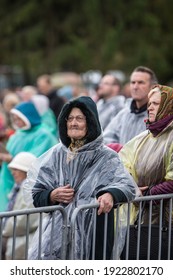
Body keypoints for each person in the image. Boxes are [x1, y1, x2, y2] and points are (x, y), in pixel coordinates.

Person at [24, 95, 138, 260]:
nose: (73, 123)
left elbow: (127, 186)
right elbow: (37, 193)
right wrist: (52, 195)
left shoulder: (106, 156)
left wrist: (110, 194)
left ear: (90, 122)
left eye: (79, 118)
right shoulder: (56, 155)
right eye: (69, 118)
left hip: (95, 234)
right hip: (57, 236)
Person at [119, 84, 173, 225]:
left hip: (166, 222)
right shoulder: (143, 137)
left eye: (155, 103)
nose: (149, 108)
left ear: (168, 105)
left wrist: (147, 194)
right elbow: (122, 164)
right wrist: (131, 187)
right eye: (149, 104)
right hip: (142, 220)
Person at [0, 101, 58, 212]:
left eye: (19, 118)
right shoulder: (18, 134)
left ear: (28, 116)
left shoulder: (43, 134)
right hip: (10, 177)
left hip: (28, 180)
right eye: (15, 119)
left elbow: (34, 159)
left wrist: (10, 159)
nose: (17, 122)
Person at [103, 66, 158, 145]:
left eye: (141, 82)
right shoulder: (124, 113)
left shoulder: (159, 116)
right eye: (133, 82)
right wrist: (117, 150)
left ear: (153, 87)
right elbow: (107, 137)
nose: (135, 87)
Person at [2, 152, 38, 260]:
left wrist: (4, 231)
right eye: (13, 169)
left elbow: (24, 221)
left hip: (23, 236)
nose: (13, 173)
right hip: (13, 232)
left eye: (16, 169)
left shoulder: (31, 188)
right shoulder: (18, 187)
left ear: (26, 171)